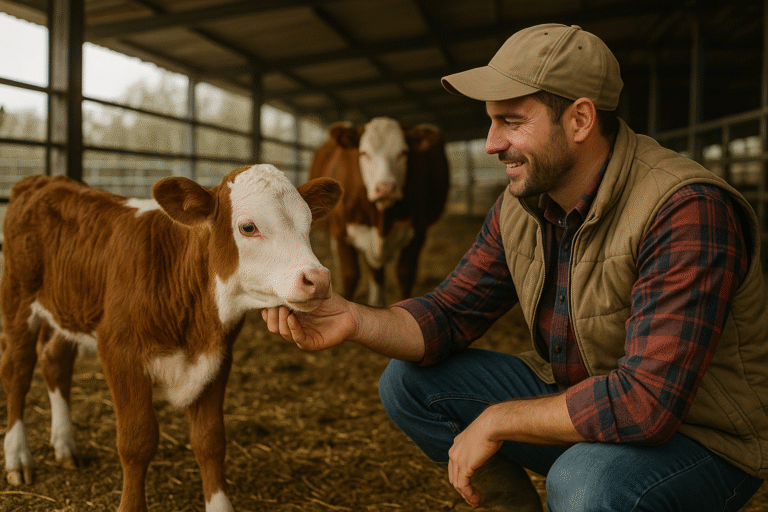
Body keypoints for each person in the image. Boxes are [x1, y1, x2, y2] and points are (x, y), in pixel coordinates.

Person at [263, 23, 768, 511]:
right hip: (586, 396)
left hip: (702, 437)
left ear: (580, 120)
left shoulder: (685, 210)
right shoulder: (522, 206)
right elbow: (449, 315)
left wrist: (499, 420)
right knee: (407, 383)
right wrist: (351, 317)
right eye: (491, 121)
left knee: (585, 484)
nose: (490, 143)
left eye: (511, 121)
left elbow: (647, 404)